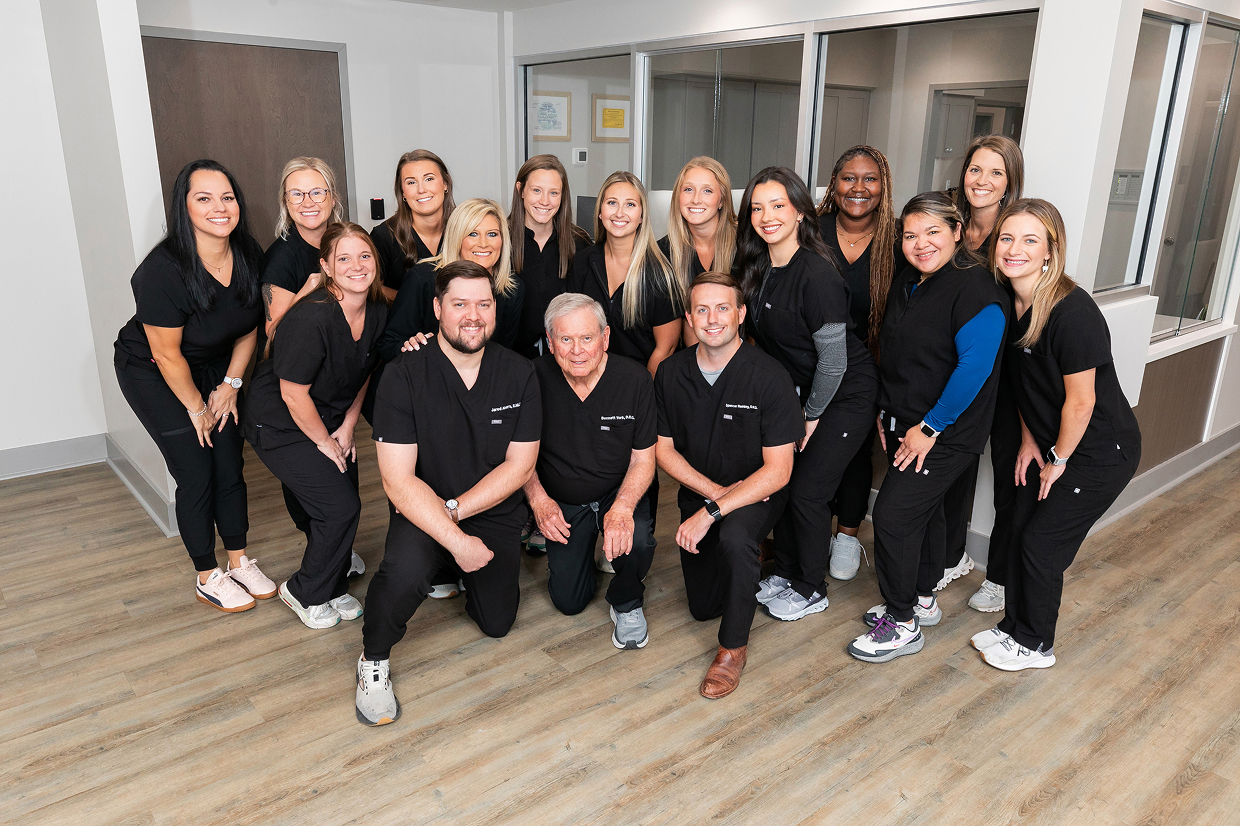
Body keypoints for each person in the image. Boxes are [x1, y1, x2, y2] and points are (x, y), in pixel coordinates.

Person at [355, 260, 541, 726]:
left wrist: (455, 514)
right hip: (421, 506)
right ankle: (372, 661)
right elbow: (397, 481)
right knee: (404, 574)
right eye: (460, 304)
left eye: (483, 304)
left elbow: (520, 466)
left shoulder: (519, 373)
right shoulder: (402, 375)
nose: (473, 315)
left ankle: (453, 569)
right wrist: (453, 538)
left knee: (497, 623)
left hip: (488, 509)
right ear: (437, 308)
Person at [971, 199, 1140, 670]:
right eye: (1006, 238)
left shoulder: (1072, 312)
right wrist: (1029, 441)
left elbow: (1081, 402)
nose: (1014, 249)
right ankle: (1012, 629)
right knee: (1023, 530)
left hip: (1099, 451)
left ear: (1050, 251)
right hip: (1051, 444)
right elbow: (1026, 386)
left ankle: (1035, 643)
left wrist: (1059, 460)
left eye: (1030, 240)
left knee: (1041, 545)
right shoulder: (1008, 303)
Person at [847, 192, 1008, 664]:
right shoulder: (910, 281)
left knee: (895, 516)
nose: (920, 244)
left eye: (933, 232)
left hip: (944, 432)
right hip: (905, 421)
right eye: (911, 235)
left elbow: (973, 369)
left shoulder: (976, 289)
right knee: (929, 513)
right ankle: (921, 598)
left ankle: (900, 622)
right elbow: (897, 352)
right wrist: (885, 409)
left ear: (958, 232)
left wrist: (930, 427)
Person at [113, 159, 273, 612]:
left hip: (216, 367)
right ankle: (207, 573)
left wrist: (230, 385)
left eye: (227, 197)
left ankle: (239, 560)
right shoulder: (161, 270)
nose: (219, 208)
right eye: (203, 198)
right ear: (184, 208)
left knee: (228, 460)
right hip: (154, 371)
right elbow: (166, 354)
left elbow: (248, 328)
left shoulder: (246, 252)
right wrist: (197, 408)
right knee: (196, 469)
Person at [734, 167, 879, 622]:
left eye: (778, 206)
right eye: (758, 207)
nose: (766, 216)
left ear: (799, 211)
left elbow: (834, 362)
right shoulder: (758, 268)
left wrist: (810, 415)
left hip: (846, 393)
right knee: (789, 484)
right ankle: (789, 572)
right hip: (806, 391)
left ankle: (811, 587)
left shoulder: (816, 274)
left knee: (809, 492)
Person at [655, 272, 801, 698]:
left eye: (723, 308)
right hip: (703, 491)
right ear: (689, 317)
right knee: (703, 608)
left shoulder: (768, 375)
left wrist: (717, 511)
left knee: (736, 539)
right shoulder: (670, 373)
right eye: (701, 309)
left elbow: (778, 471)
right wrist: (714, 496)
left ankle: (732, 650)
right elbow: (663, 451)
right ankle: (755, 558)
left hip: (759, 492)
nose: (712, 318)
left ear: (740, 314)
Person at [244, 222, 387, 629]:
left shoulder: (376, 311)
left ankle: (332, 583)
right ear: (325, 266)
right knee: (339, 507)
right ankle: (304, 591)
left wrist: (348, 425)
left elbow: (366, 370)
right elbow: (292, 395)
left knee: (342, 500)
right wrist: (324, 442)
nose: (356, 266)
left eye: (364, 256)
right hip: (279, 421)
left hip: (329, 416)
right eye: (343, 258)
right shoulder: (312, 318)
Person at [523, 293, 657, 648]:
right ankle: (587, 557)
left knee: (637, 536)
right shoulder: (532, 378)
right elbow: (518, 457)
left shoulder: (635, 379)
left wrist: (624, 508)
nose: (577, 350)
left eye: (587, 338)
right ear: (550, 342)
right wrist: (539, 501)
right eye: (565, 339)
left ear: (606, 337)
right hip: (563, 500)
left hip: (618, 490)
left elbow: (644, 459)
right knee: (569, 602)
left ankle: (627, 601)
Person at [258, 157, 365, 579]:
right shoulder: (283, 258)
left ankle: (337, 548)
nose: (308, 201)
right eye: (297, 193)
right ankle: (323, 548)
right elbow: (271, 335)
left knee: (344, 473)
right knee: (317, 485)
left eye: (317, 191)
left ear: (333, 197)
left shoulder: (346, 242)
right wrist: (309, 289)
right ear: (285, 201)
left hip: (338, 388)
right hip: (294, 390)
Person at [939, 135, 1026, 611]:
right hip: (960, 370)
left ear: (1010, 181)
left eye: (996, 172)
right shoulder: (951, 227)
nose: (983, 181)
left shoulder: (1014, 234)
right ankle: (952, 556)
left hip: (1009, 375)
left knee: (1013, 474)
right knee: (956, 464)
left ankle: (1002, 576)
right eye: (976, 169)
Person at [815, 145, 901, 581]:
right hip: (808, 365)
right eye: (849, 177)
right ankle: (808, 532)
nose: (859, 188)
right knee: (808, 449)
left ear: (883, 186)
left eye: (870, 179)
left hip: (869, 368)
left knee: (854, 452)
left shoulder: (898, 239)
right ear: (835, 183)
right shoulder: (811, 229)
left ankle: (847, 535)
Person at [568, 171, 683, 377]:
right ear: (600, 212)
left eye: (630, 204)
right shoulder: (583, 262)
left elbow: (666, 349)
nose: (619, 213)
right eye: (612, 203)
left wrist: (641, 393)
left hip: (639, 385)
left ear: (641, 216)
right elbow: (571, 327)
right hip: (587, 378)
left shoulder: (660, 273)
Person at [377, 198, 525, 357]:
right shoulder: (422, 279)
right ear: (457, 237)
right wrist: (411, 345)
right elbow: (388, 345)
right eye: (473, 234)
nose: (483, 243)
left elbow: (504, 354)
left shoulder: (512, 289)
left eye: (492, 234)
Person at [508, 155, 592, 360]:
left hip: (566, 359)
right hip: (512, 358)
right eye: (536, 190)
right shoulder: (499, 238)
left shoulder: (579, 242)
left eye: (553, 193)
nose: (545, 201)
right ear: (520, 190)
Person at [657, 157, 737, 345]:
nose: (696, 199)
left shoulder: (746, 246)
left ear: (721, 200)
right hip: (685, 359)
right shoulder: (662, 254)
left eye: (707, 191)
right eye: (688, 190)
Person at [370, 149, 454, 301]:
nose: (421, 190)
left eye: (429, 179)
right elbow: (373, 288)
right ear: (402, 193)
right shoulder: (384, 236)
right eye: (411, 182)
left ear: (445, 184)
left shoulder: (466, 228)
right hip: (405, 322)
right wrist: (415, 302)